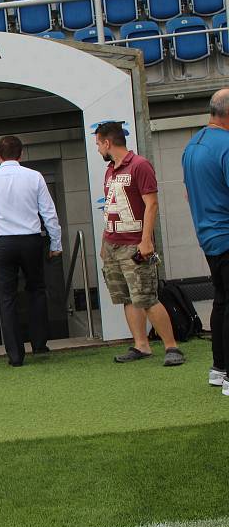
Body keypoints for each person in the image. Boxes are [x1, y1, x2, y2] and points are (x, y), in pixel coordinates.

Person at [95, 121, 184, 366]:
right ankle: (141, 345)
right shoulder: (111, 169)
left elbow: (151, 204)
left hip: (134, 244)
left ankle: (171, 346)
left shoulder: (140, 165)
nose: (98, 150)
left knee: (146, 296)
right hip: (113, 243)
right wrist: (105, 242)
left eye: (98, 144)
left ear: (107, 142)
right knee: (126, 297)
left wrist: (146, 240)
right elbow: (111, 207)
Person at [0, 135, 62, 367]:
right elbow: (49, 213)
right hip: (31, 239)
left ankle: (15, 355)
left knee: (6, 297)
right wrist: (55, 243)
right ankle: (40, 343)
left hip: (1, 242)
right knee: (36, 290)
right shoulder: (35, 177)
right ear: (21, 155)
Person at [182, 88, 229, 390]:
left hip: (209, 236)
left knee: (222, 300)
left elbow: (188, 193)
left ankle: (219, 368)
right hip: (226, 233)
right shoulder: (225, 145)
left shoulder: (192, 145)